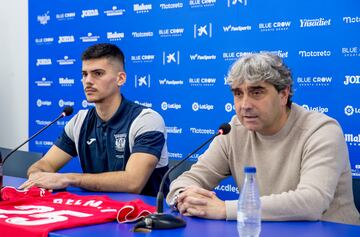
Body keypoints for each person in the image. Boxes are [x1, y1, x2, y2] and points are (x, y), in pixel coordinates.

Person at [166, 53, 360, 225]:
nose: (244, 105)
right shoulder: (233, 130)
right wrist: (182, 198)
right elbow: (188, 180)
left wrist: (225, 209)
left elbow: (312, 202)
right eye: (238, 94)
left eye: (256, 92)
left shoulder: (321, 130)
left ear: (283, 94)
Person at [20, 43, 169, 196]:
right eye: (84, 74)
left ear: (120, 78)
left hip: (145, 215)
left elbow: (133, 182)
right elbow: (45, 164)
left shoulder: (147, 120)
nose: (88, 81)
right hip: (98, 212)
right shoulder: (79, 121)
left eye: (98, 73)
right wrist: (37, 176)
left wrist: (69, 178)